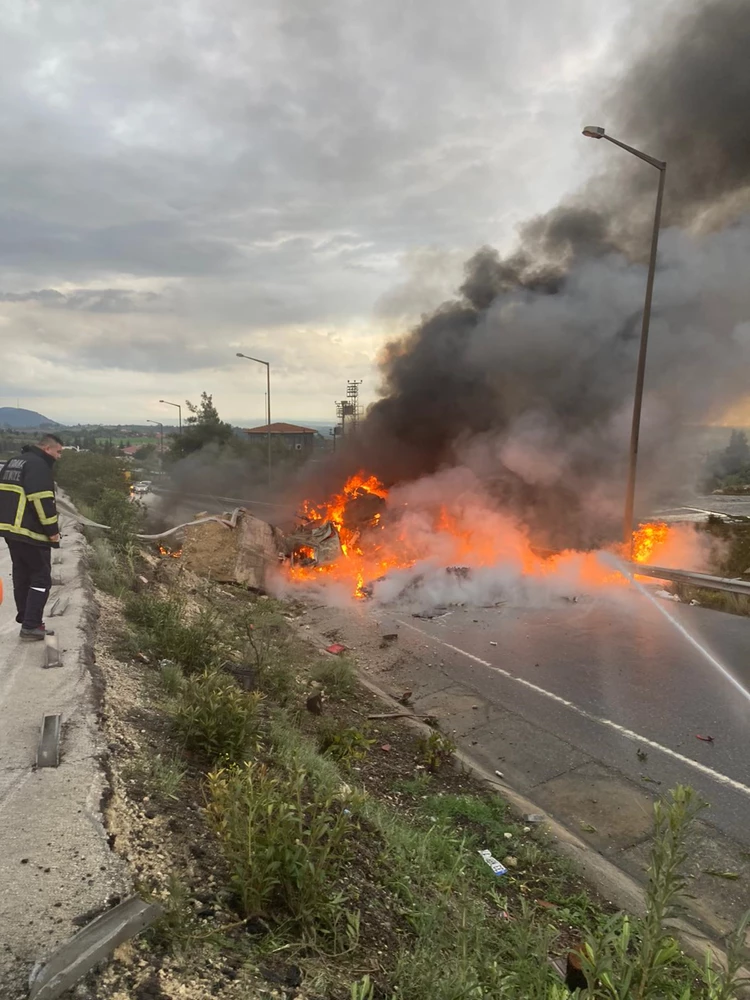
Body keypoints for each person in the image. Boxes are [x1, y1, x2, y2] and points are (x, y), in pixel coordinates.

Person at [0, 434, 63, 640]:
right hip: (30, 532)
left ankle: (25, 617)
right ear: (47, 449)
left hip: (10, 530)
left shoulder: (14, 461)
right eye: (58, 452)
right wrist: (52, 531)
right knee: (40, 577)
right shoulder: (38, 466)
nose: (59, 457)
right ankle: (31, 625)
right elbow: (42, 501)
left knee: (22, 575)